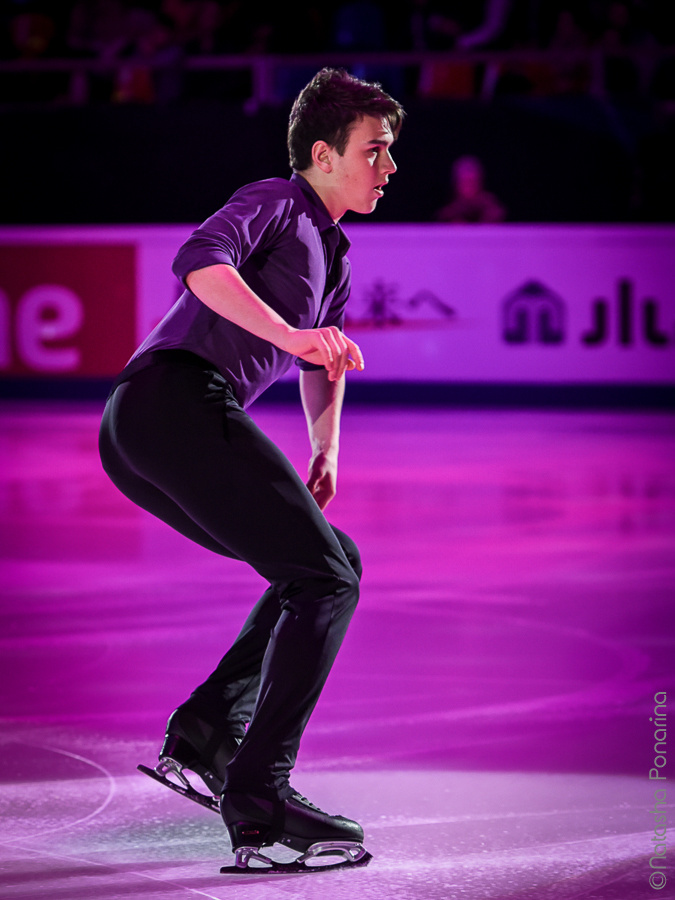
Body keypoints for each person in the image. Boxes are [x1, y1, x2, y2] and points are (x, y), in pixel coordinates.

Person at [99, 67, 404, 871]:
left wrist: (325, 447)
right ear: (321, 153)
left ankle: (208, 730)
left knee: (332, 562)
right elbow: (200, 265)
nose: (389, 166)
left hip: (160, 423)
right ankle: (259, 799)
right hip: (169, 403)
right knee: (325, 580)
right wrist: (295, 335)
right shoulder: (275, 199)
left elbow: (324, 358)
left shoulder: (333, 252)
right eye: (374, 150)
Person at [435, 154, 505, 223]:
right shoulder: (451, 208)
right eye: (464, 182)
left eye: (472, 182)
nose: (469, 187)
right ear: (456, 184)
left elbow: (499, 214)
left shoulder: (489, 203)